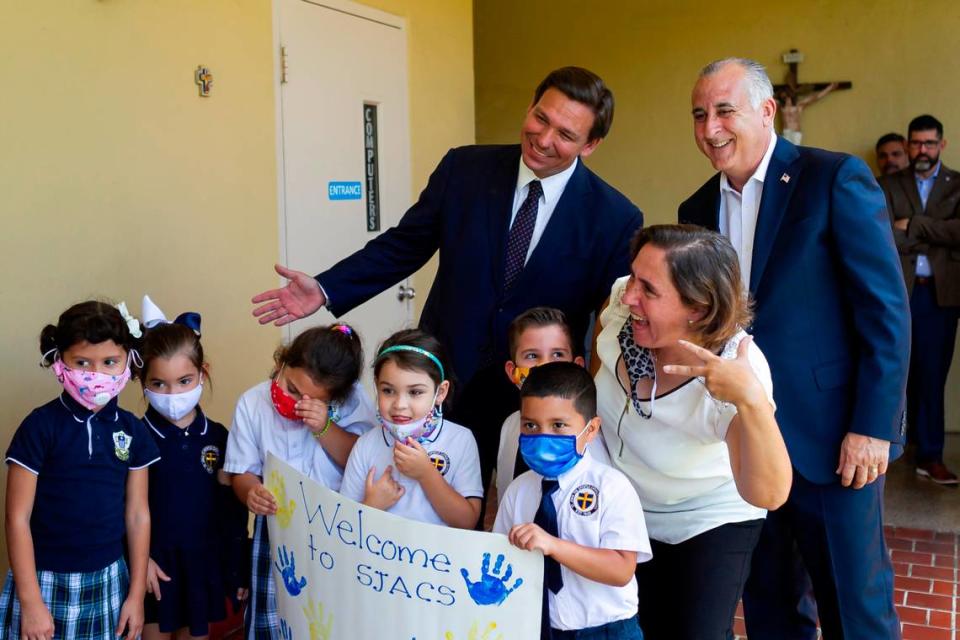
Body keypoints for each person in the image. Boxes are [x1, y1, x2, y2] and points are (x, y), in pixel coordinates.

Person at [250, 66, 644, 500]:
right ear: (530, 107)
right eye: (540, 118)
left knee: (525, 511)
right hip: (442, 380)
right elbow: (405, 244)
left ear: (590, 145)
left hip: (533, 396)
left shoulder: (615, 217)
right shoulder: (465, 168)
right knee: (431, 506)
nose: (544, 138)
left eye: (566, 134)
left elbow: (610, 320)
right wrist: (327, 287)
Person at [679, 57, 910, 640]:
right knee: (771, 607)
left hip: (834, 441)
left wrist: (873, 426)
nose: (710, 129)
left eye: (724, 111)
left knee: (856, 609)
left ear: (767, 110)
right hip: (744, 448)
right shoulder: (695, 210)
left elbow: (885, 311)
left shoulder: (834, 179)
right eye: (699, 115)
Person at [593, 225, 791, 639]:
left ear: (697, 309)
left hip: (705, 516)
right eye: (633, 278)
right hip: (624, 501)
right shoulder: (620, 304)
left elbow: (769, 494)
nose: (630, 295)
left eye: (648, 289)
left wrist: (750, 402)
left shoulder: (738, 373)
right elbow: (597, 358)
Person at [0, 301, 160, 640]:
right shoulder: (40, 427)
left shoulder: (133, 430)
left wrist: (135, 596)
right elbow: (16, 518)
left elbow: (137, 514)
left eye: (109, 362)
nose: (96, 374)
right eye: (82, 362)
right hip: (44, 580)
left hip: (109, 579)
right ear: (60, 363)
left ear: (129, 363)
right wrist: (30, 602)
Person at [224, 324, 376, 640]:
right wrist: (251, 491)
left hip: (334, 529)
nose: (296, 402)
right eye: (291, 387)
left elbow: (359, 460)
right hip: (277, 527)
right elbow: (241, 472)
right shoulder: (253, 404)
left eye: (312, 399)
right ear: (281, 363)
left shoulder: (353, 403)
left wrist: (325, 427)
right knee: (273, 615)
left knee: (327, 616)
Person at [494, 362, 651, 640]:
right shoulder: (518, 491)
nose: (543, 437)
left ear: (591, 430)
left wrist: (554, 546)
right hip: (539, 628)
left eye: (558, 426)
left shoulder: (612, 488)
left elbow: (621, 569)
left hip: (606, 631)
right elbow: (500, 558)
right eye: (531, 425)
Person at [137, 296, 249, 640]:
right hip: (153, 566)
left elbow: (232, 509)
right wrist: (140, 561)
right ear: (141, 380)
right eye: (159, 384)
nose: (173, 393)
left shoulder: (218, 436)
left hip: (203, 566)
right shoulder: (135, 436)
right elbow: (120, 506)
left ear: (203, 374)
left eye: (184, 381)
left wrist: (237, 566)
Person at [880, 114, 960, 485]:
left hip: (939, 295)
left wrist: (913, 226)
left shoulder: (957, 185)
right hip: (898, 293)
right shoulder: (888, 184)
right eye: (916, 143)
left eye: (929, 143)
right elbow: (882, 234)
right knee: (892, 369)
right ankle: (891, 447)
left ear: (942, 145)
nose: (922, 150)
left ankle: (930, 456)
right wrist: (935, 234)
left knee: (932, 376)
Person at [340, 329, 483, 528]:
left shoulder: (460, 440)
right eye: (388, 390)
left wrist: (426, 474)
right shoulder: (365, 445)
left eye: (415, 392)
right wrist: (372, 505)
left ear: (440, 392)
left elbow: (466, 521)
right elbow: (343, 525)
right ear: (376, 386)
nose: (400, 404)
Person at [493, 307, 586, 504]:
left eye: (558, 354)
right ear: (512, 371)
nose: (545, 367)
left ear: (577, 365)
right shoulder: (510, 426)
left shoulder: (588, 436)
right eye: (532, 356)